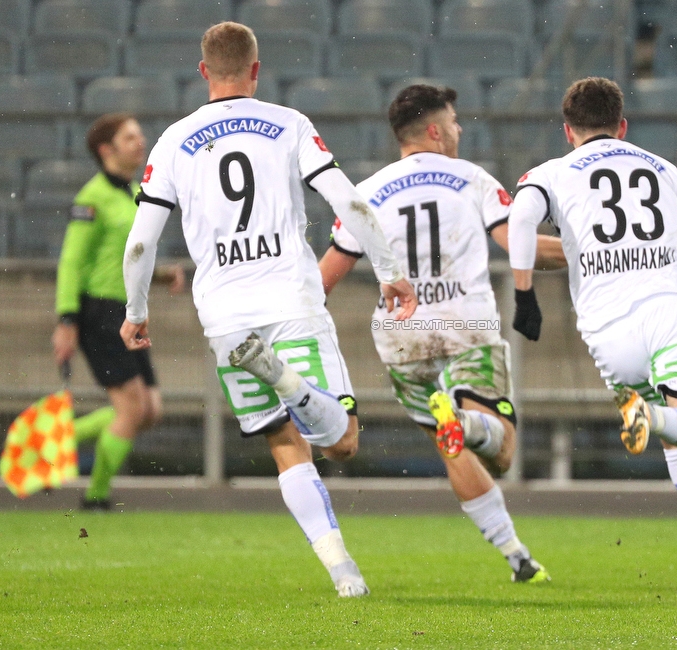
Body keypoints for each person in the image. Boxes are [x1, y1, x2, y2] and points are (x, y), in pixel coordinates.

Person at [120, 22, 417, 598]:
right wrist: (390, 271)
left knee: (286, 444)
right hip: (291, 300)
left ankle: (341, 571)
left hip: (226, 318)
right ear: (256, 69)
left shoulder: (173, 141)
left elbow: (140, 242)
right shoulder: (289, 124)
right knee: (343, 441)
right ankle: (287, 378)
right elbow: (347, 200)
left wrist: (137, 309)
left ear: (204, 71)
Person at [506, 77, 677, 594]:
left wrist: (523, 296)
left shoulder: (550, 173)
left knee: (674, 440)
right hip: (669, 312)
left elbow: (520, 221)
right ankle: (654, 418)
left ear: (567, 131)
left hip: (608, 333)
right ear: (623, 126)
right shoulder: (664, 169)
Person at [319, 84, 566, 583]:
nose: (459, 129)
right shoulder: (472, 179)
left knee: (448, 442)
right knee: (500, 449)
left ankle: (516, 555)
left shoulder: (364, 193)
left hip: (400, 334)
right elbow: (518, 244)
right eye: (453, 121)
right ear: (434, 130)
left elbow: (324, 278)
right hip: (465, 324)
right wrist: (587, 250)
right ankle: (467, 423)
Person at [53, 112, 184, 511]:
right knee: (132, 408)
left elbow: (126, 255)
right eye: (130, 137)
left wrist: (159, 276)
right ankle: (95, 498)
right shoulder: (91, 198)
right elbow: (71, 262)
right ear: (106, 150)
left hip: (127, 310)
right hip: (99, 313)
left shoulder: (131, 193)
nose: (141, 142)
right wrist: (66, 320)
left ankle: (60, 440)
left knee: (149, 411)